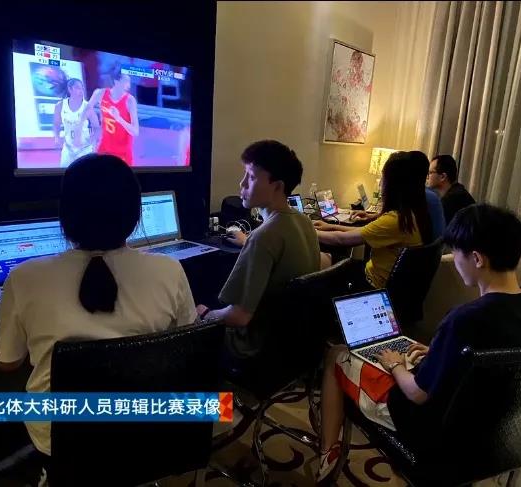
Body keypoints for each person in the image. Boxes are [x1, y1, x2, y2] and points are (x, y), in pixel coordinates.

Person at [316, 204, 521, 482]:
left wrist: (394, 365)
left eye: (457, 253)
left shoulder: (464, 319)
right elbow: (494, 354)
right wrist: (443, 353)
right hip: (492, 430)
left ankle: (327, 455)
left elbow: (417, 394)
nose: (456, 259)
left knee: (337, 354)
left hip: (431, 432)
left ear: (477, 259)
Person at [0, 154, 197, 467]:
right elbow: (186, 346)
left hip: (56, 435)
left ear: (65, 214)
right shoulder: (169, 271)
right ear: (135, 214)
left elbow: (7, 362)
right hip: (145, 424)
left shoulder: (24, 278)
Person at [196, 140, 320, 359]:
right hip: (292, 340)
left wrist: (205, 314)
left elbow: (239, 317)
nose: (242, 183)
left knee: (197, 306)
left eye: (251, 177)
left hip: (255, 346)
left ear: (277, 186)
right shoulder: (304, 222)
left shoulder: (263, 237)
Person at [314, 151, 433, 289]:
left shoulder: (395, 221)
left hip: (371, 283)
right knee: (331, 258)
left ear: (394, 185)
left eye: (383, 177)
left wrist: (309, 231)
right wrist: (329, 226)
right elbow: (361, 231)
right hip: (380, 277)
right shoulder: (413, 214)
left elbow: (341, 240)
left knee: (322, 259)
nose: (381, 183)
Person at [79, 67, 139, 165]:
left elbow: (135, 131)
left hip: (123, 152)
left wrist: (119, 119)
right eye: (125, 81)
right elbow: (87, 109)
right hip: (104, 148)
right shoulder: (100, 93)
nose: (129, 85)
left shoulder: (130, 101)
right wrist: (80, 128)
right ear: (116, 81)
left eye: (129, 82)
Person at [53, 78, 99, 167]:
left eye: (82, 88)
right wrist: (57, 137)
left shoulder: (87, 107)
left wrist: (92, 141)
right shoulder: (60, 106)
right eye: (78, 88)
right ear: (70, 89)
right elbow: (56, 124)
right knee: (64, 172)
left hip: (84, 149)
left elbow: (96, 127)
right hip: (68, 148)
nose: (81, 91)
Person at [426, 154, 476, 224]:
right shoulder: (458, 192)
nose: (427, 176)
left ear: (442, 177)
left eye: (430, 173)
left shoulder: (451, 201)